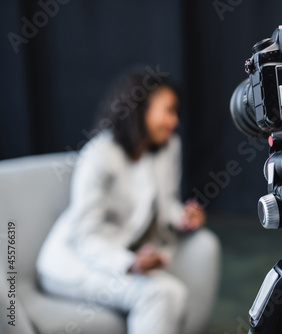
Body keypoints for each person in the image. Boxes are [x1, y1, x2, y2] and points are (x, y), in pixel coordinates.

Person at [36, 66, 220, 334]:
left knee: (173, 294)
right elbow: (84, 236)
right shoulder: (99, 155)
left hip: (116, 253)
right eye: (168, 111)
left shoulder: (168, 147)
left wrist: (184, 217)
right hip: (71, 259)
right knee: (162, 294)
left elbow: (166, 203)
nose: (174, 121)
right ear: (139, 110)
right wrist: (127, 262)